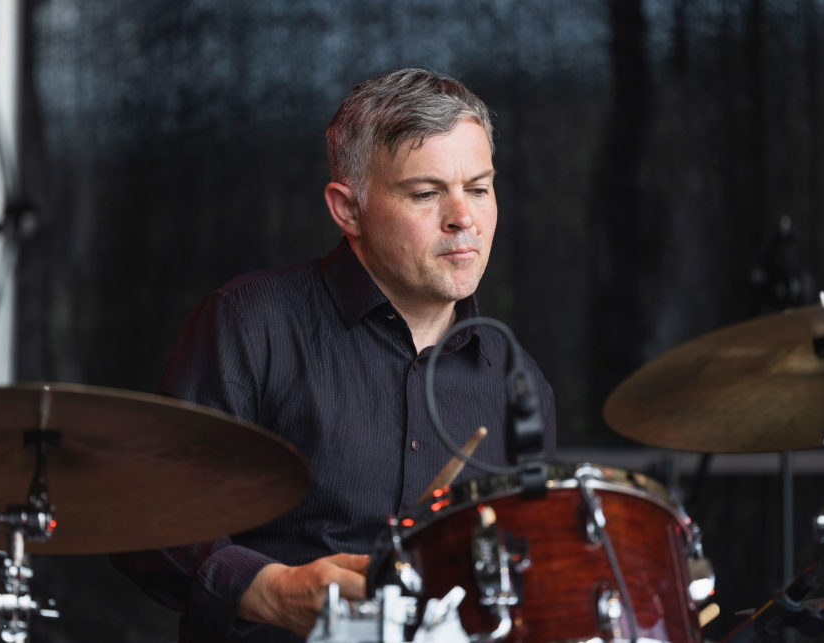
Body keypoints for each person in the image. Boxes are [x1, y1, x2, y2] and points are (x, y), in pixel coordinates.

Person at [111, 68, 557, 642]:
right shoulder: (250, 322)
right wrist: (268, 590)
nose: (463, 218)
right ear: (348, 210)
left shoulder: (518, 381)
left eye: (478, 188)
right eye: (426, 194)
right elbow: (145, 512)